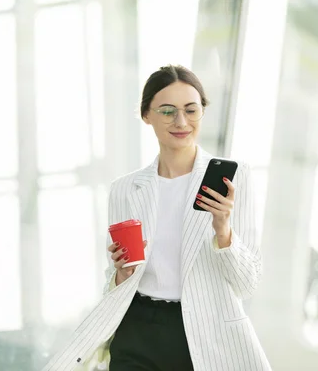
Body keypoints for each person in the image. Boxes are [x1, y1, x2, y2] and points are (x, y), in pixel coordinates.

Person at [42, 65, 271, 371]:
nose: (181, 122)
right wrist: (121, 273)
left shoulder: (234, 179)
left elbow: (247, 283)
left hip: (202, 332)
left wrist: (224, 231)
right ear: (146, 114)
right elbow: (116, 279)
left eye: (191, 110)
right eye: (167, 111)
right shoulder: (125, 190)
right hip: (137, 327)